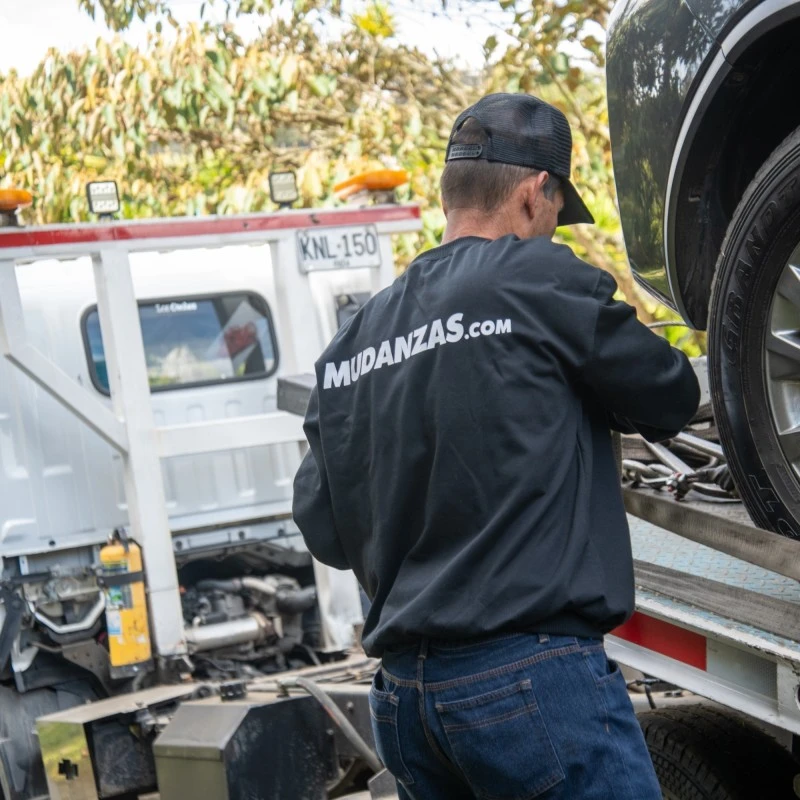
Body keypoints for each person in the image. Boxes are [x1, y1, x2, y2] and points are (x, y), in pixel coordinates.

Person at [293, 93, 700, 799]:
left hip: (406, 699)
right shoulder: (536, 278)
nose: (546, 234)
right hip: (528, 685)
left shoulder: (350, 346)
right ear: (535, 192)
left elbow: (324, 529)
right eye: (552, 217)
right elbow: (669, 392)